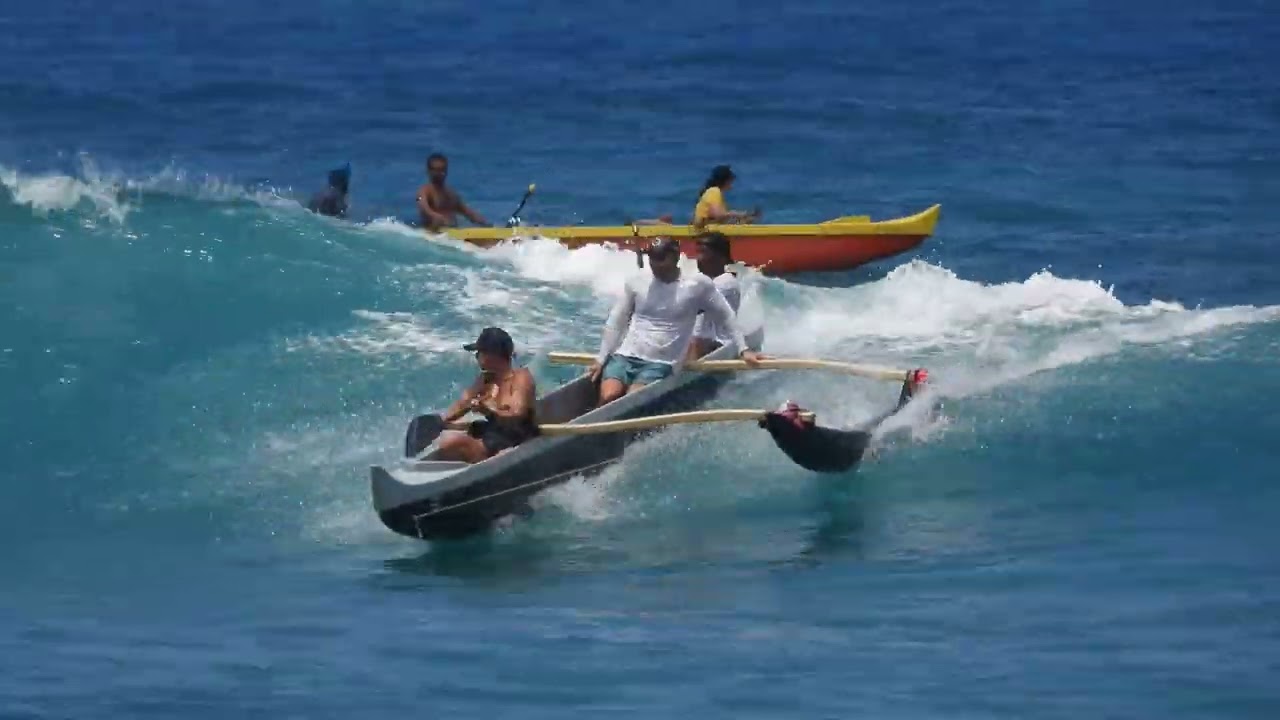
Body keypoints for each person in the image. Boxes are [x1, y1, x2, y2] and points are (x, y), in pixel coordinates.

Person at [588, 237, 762, 406]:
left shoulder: (698, 284)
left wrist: (743, 350)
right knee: (609, 395)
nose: (655, 264)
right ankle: (589, 429)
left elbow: (727, 316)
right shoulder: (637, 280)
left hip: (661, 363)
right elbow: (617, 320)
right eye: (652, 258)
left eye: (661, 258)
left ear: (676, 257)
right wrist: (601, 358)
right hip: (626, 356)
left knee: (629, 400)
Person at [435, 327, 538, 463]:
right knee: (451, 434)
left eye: (479, 353)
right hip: (493, 436)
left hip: (516, 439)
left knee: (453, 443)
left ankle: (484, 465)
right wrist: (442, 422)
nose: (477, 357)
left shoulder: (520, 378)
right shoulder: (485, 379)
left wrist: (488, 411)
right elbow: (461, 404)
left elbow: (516, 415)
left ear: (491, 355)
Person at [688, 231, 741, 359]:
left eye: (703, 253)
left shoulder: (726, 282)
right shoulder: (705, 280)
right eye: (697, 253)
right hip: (700, 340)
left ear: (721, 257)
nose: (698, 259)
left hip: (716, 343)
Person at [416, 153, 492, 231]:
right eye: (436, 170)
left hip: (452, 234)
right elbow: (422, 206)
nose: (440, 173)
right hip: (431, 233)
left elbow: (467, 212)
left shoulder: (451, 194)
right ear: (428, 171)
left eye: (443, 169)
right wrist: (436, 216)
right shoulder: (423, 192)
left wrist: (483, 222)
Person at [693, 164, 760, 227]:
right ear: (726, 181)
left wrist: (745, 218)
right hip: (706, 233)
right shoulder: (714, 191)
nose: (732, 183)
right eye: (731, 180)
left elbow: (718, 219)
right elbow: (716, 214)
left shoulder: (712, 192)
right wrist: (734, 213)